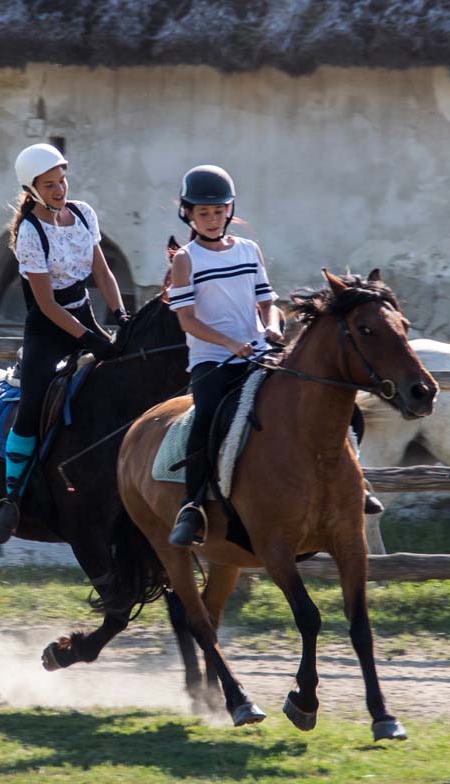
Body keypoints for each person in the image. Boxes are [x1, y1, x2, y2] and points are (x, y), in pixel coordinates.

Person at [0, 143, 130, 544]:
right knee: (32, 404)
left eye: (62, 180)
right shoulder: (29, 233)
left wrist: (119, 316)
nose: (60, 189)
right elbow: (47, 305)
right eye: (49, 184)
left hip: (84, 313)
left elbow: (102, 271)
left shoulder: (83, 213)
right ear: (31, 190)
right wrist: (89, 340)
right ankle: (11, 497)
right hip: (48, 329)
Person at [166, 165, 283, 547]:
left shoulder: (249, 250)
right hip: (211, 360)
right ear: (188, 213)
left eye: (218, 212)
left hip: (258, 354)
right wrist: (230, 344)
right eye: (203, 213)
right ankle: (192, 505)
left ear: (230, 211)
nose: (213, 220)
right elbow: (187, 321)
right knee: (207, 418)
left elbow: (268, 303)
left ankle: (350, 482)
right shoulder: (185, 259)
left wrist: (273, 327)